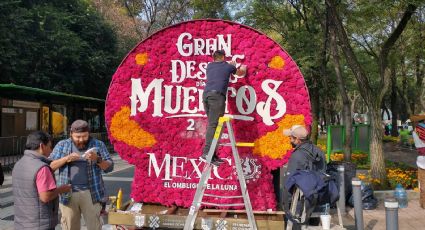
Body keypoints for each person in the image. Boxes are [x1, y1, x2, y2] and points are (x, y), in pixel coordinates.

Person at [50, 120, 114, 230]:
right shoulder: (62, 145)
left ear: (89, 133)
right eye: (77, 137)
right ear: (71, 134)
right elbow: (50, 166)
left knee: (95, 226)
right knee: (69, 227)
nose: (81, 140)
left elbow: (109, 167)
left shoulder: (98, 144)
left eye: (84, 136)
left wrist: (97, 159)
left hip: (92, 193)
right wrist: (66, 158)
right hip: (67, 194)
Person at [12, 131, 71, 230]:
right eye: (49, 146)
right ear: (41, 146)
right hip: (39, 222)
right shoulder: (42, 168)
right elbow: (45, 196)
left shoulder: (19, 163)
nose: (51, 150)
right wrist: (62, 189)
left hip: (21, 221)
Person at [200, 49, 246, 166]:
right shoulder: (227, 66)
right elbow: (240, 73)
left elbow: (220, 69)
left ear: (213, 57)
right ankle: (206, 153)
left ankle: (212, 155)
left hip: (206, 95)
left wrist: (229, 65)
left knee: (214, 125)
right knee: (213, 125)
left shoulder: (210, 66)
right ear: (223, 57)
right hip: (217, 97)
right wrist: (242, 67)